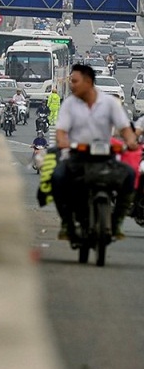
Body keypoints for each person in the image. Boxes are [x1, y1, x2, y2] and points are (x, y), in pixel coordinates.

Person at [51, 64, 138, 240]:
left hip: (105, 158)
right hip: (76, 157)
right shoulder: (69, 104)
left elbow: (124, 128)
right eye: (71, 81)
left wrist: (130, 140)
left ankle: (117, 222)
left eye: (75, 81)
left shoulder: (109, 104)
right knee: (57, 177)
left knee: (129, 174)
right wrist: (63, 142)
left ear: (88, 82)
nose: (72, 85)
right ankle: (67, 222)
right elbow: (61, 131)